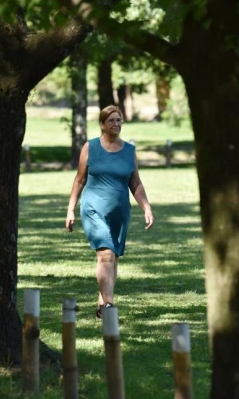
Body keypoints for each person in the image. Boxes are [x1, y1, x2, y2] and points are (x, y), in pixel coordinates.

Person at [65, 105, 154, 318]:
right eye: (112, 120)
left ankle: (102, 302)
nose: (116, 124)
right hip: (93, 208)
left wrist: (146, 207)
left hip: (119, 212)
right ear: (102, 124)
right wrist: (71, 209)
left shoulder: (129, 150)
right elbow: (79, 179)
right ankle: (109, 306)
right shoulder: (90, 147)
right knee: (105, 254)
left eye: (119, 120)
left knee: (113, 258)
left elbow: (136, 183)